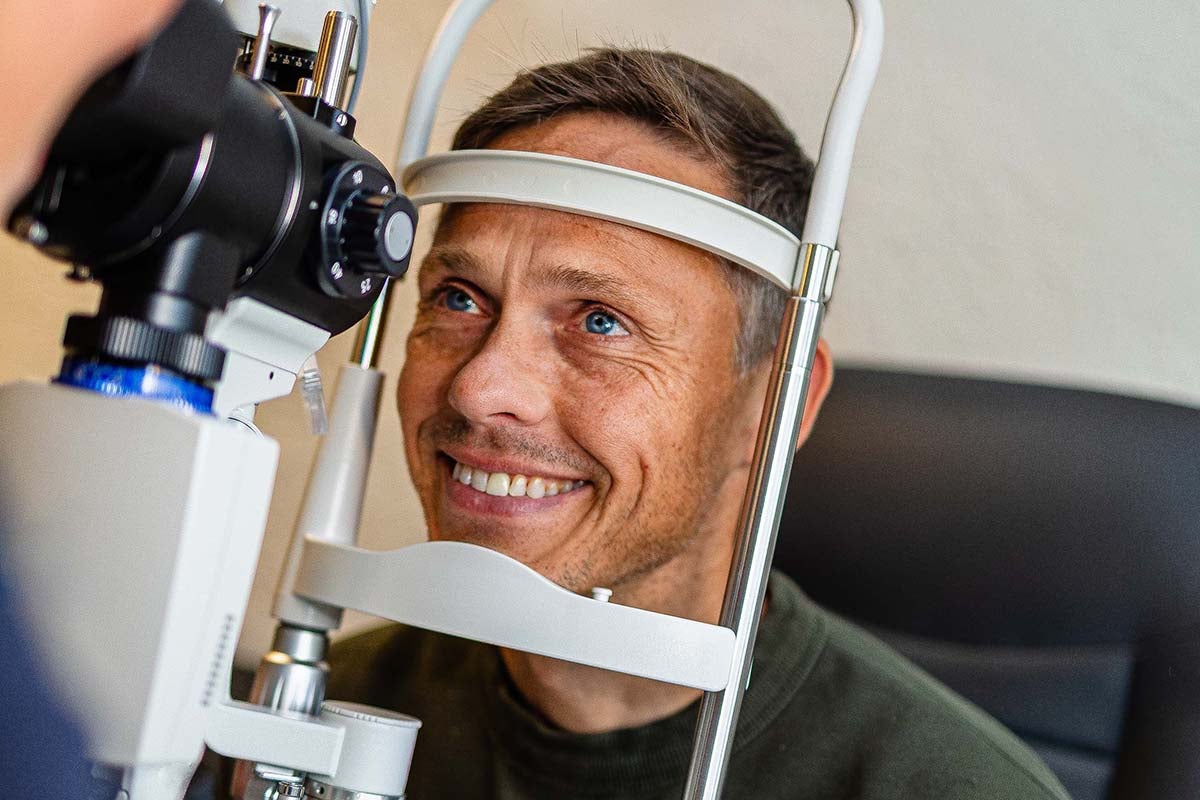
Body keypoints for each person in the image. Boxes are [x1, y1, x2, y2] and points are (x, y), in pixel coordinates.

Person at [326, 49, 1071, 799]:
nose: (479, 389)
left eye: (601, 321)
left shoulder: (953, 788)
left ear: (773, 403)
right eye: (458, 298)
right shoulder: (328, 710)